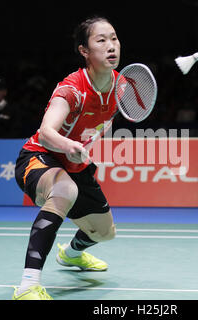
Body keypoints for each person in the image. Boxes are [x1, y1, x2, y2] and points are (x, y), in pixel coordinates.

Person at [13, 16, 120, 300]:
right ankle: (27, 285)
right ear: (84, 51)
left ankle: (71, 255)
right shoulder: (71, 89)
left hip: (76, 164)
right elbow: (46, 132)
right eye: (101, 40)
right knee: (64, 190)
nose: (111, 46)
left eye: (114, 38)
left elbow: (99, 122)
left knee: (104, 232)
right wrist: (68, 144)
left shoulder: (121, 87)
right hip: (40, 157)